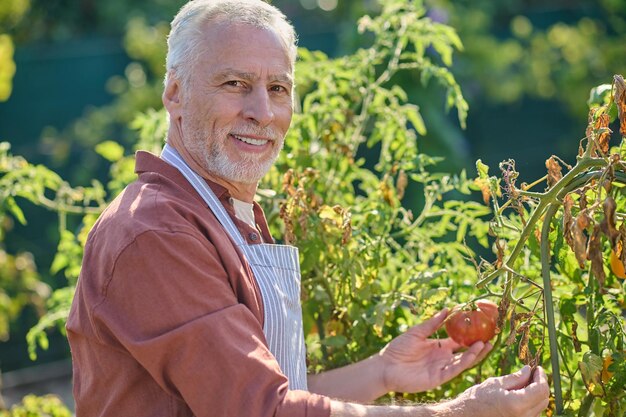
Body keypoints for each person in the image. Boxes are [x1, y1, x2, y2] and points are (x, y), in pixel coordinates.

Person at [66, 0, 551, 416]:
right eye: (235, 84)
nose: (263, 111)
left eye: (278, 89)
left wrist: (383, 371)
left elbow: (272, 394)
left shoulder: (223, 213)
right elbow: (265, 412)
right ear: (175, 93)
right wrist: (456, 413)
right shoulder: (156, 232)